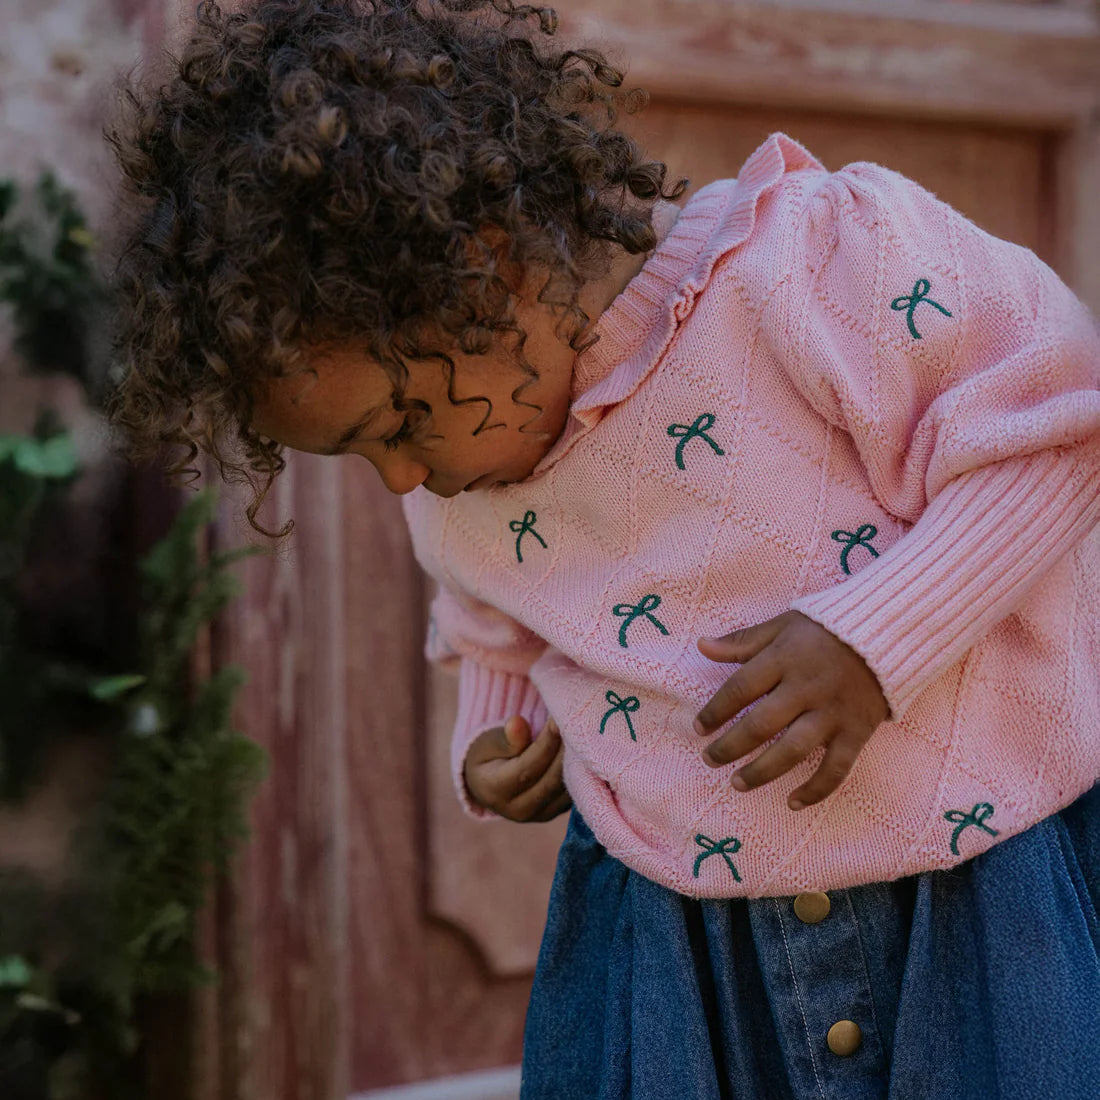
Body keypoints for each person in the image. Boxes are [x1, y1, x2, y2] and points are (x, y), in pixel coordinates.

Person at [106, 0, 1100, 1096]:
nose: (399, 478)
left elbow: (1055, 438)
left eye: (394, 425)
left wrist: (870, 640)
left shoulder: (818, 267)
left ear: (484, 271)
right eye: (359, 455)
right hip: (677, 948)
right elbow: (490, 609)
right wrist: (495, 730)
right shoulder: (465, 475)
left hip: (976, 887)